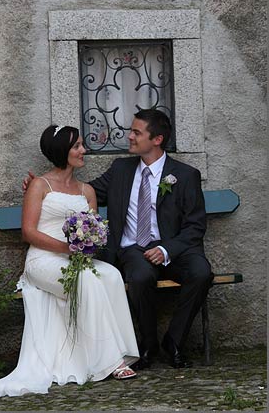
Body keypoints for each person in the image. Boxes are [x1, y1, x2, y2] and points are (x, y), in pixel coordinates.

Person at [0, 125, 139, 399]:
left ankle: (124, 350)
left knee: (112, 275)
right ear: (61, 151)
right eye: (77, 146)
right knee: (87, 280)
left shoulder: (87, 190)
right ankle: (111, 361)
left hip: (75, 259)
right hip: (43, 261)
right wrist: (68, 248)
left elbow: (93, 229)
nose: (83, 150)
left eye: (82, 145)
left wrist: (88, 245)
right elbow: (28, 232)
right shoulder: (39, 185)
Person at [24, 109, 212, 370]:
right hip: (132, 249)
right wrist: (42, 186)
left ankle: (175, 340)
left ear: (156, 140)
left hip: (174, 249)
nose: (129, 136)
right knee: (140, 277)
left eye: (136, 132)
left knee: (202, 272)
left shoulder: (185, 175)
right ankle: (147, 345)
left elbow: (194, 226)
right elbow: (80, 193)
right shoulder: (121, 170)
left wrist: (166, 249)